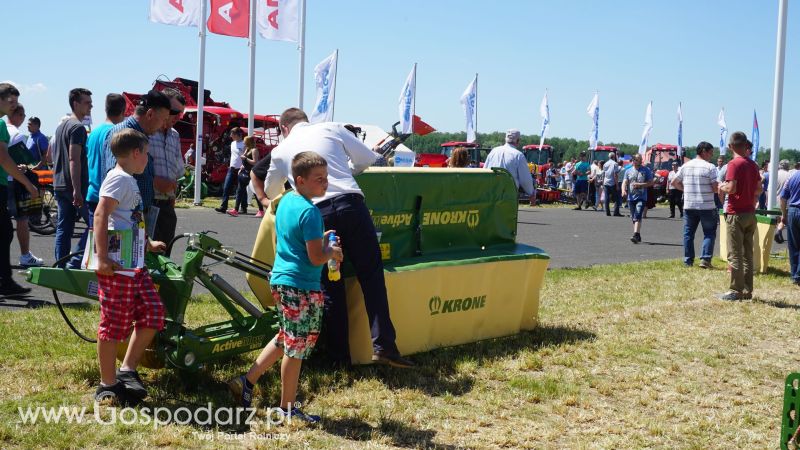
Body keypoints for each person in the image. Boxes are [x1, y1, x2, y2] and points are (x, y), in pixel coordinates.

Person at [265, 108, 413, 368]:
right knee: (371, 276)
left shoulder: (280, 150)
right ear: (305, 121)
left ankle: (338, 358)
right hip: (350, 205)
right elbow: (369, 158)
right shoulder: (331, 128)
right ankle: (384, 346)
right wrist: (345, 173)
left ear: (283, 128)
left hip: (317, 213)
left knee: (330, 285)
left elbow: (269, 189)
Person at [229, 151, 343, 422]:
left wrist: (320, 238)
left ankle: (246, 380)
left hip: (281, 281)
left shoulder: (287, 202)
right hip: (301, 285)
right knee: (297, 347)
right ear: (300, 180)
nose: (324, 183)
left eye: (326, 178)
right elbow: (316, 257)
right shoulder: (310, 211)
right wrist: (333, 253)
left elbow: (293, 241)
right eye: (318, 179)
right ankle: (287, 408)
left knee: (286, 337)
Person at [92, 129, 166, 405]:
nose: (147, 159)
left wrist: (147, 243)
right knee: (113, 326)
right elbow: (101, 214)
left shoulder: (128, 180)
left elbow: (129, 220)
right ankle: (107, 385)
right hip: (117, 267)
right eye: (146, 153)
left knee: (154, 313)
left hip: (134, 265)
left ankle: (126, 370)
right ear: (136, 153)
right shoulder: (118, 179)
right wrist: (101, 257)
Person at [102, 89, 172, 231]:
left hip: (136, 216)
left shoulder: (141, 136)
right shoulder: (122, 134)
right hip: (124, 222)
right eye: (163, 119)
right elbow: (114, 177)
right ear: (150, 114)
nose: (164, 124)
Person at [717, 133, 762, 301]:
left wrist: (722, 186)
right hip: (750, 212)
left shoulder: (734, 164)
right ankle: (747, 289)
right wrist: (748, 192)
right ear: (745, 145)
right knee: (747, 254)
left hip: (735, 213)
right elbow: (759, 189)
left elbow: (732, 188)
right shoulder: (753, 164)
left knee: (734, 253)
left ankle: (736, 290)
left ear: (730, 146)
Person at [52, 88, 92, 267]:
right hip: (74, 186)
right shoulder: (77, 127)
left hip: (59, 184)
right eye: (87, 102)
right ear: (75, 104)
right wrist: (77, 189)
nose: (91, 105)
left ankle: (60, 267)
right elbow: (73, 158)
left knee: (64, 228)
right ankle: (74, 263)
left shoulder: (61, 126)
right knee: (95, 224)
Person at [3, 104, 44, 267]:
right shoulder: (17, 135)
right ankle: (25, 255)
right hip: (14, 180)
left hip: (3, 180)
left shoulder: (3, 129)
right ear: (19, 116)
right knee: (22, 219)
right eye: (23, 116)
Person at [672, 141, 718, 268]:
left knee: (688, 234)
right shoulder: (710, 167)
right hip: (706, 206)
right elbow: (715, 188)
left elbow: (674, 182)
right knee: (709, 233)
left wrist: (685, 189)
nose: (711, 155)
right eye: (710, 153)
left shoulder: (685, 166)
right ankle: (705, 259)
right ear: (704, 151)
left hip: (689, 205)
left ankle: (688, 261)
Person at [149, 88, 185, 243]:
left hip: (167, 206)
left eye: (180, 113)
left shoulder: (174, 135)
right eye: (174, 111)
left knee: (165, 255)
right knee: (146, 257)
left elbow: (177, 170)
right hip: (148, 204)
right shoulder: (147, 132)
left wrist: (172, 194)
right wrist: (155, 182)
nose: (178, 117)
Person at [86, 93, 126, 225]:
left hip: (92, 191)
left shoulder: (93, 133)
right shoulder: (117, 133)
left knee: (94, 240)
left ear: (105, 109)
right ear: (123, 110)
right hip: (109, 195)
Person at [484, 129, 535, 205]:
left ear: (505, 139)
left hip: (491, 194)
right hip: (508, 196)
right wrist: (531, 193)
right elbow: (525, 180)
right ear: (518, 141)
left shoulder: (493, 151)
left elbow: (485, 171)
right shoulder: (518, 155)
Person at [621, 153, 654, 243]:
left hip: (641, 197)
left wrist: (640, 185)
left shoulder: (646, 170)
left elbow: (651, 182)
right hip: (631, 198)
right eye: (636, 159)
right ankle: (637, 235)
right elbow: (624, 182)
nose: (637, 161)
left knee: (638, 214)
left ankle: (636, 234)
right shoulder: (628, 171)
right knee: (634, 217)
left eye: (639, 159)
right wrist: (623, 190)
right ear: (633, 160)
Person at [215, 127, 245, 215]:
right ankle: (223, 207)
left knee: (241, 189)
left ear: (238, 134)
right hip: (231, 168)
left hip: (241, 169)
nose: (231, 136)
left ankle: (243, 207)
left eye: (232, 134)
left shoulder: (244, 144)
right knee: (226, 187)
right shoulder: (232, 143)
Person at [779, 168, 800, 286]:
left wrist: (784, 214)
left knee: (794, 245)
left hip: (792, 210)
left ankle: (794, 275)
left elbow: (783, 198)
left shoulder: (792, 176)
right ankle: (798, 275)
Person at [232, 135, 259, 216]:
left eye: (245, 141)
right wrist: (241, 167)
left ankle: (261, 210)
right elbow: (244, 160)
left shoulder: (254, 150)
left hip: (252, 173)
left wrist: (246, 159)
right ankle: (235, 209)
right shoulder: (247, 149)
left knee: (255, 191)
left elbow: (255, 162)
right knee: (239, 191)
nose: (243, 142)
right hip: (245, 172)